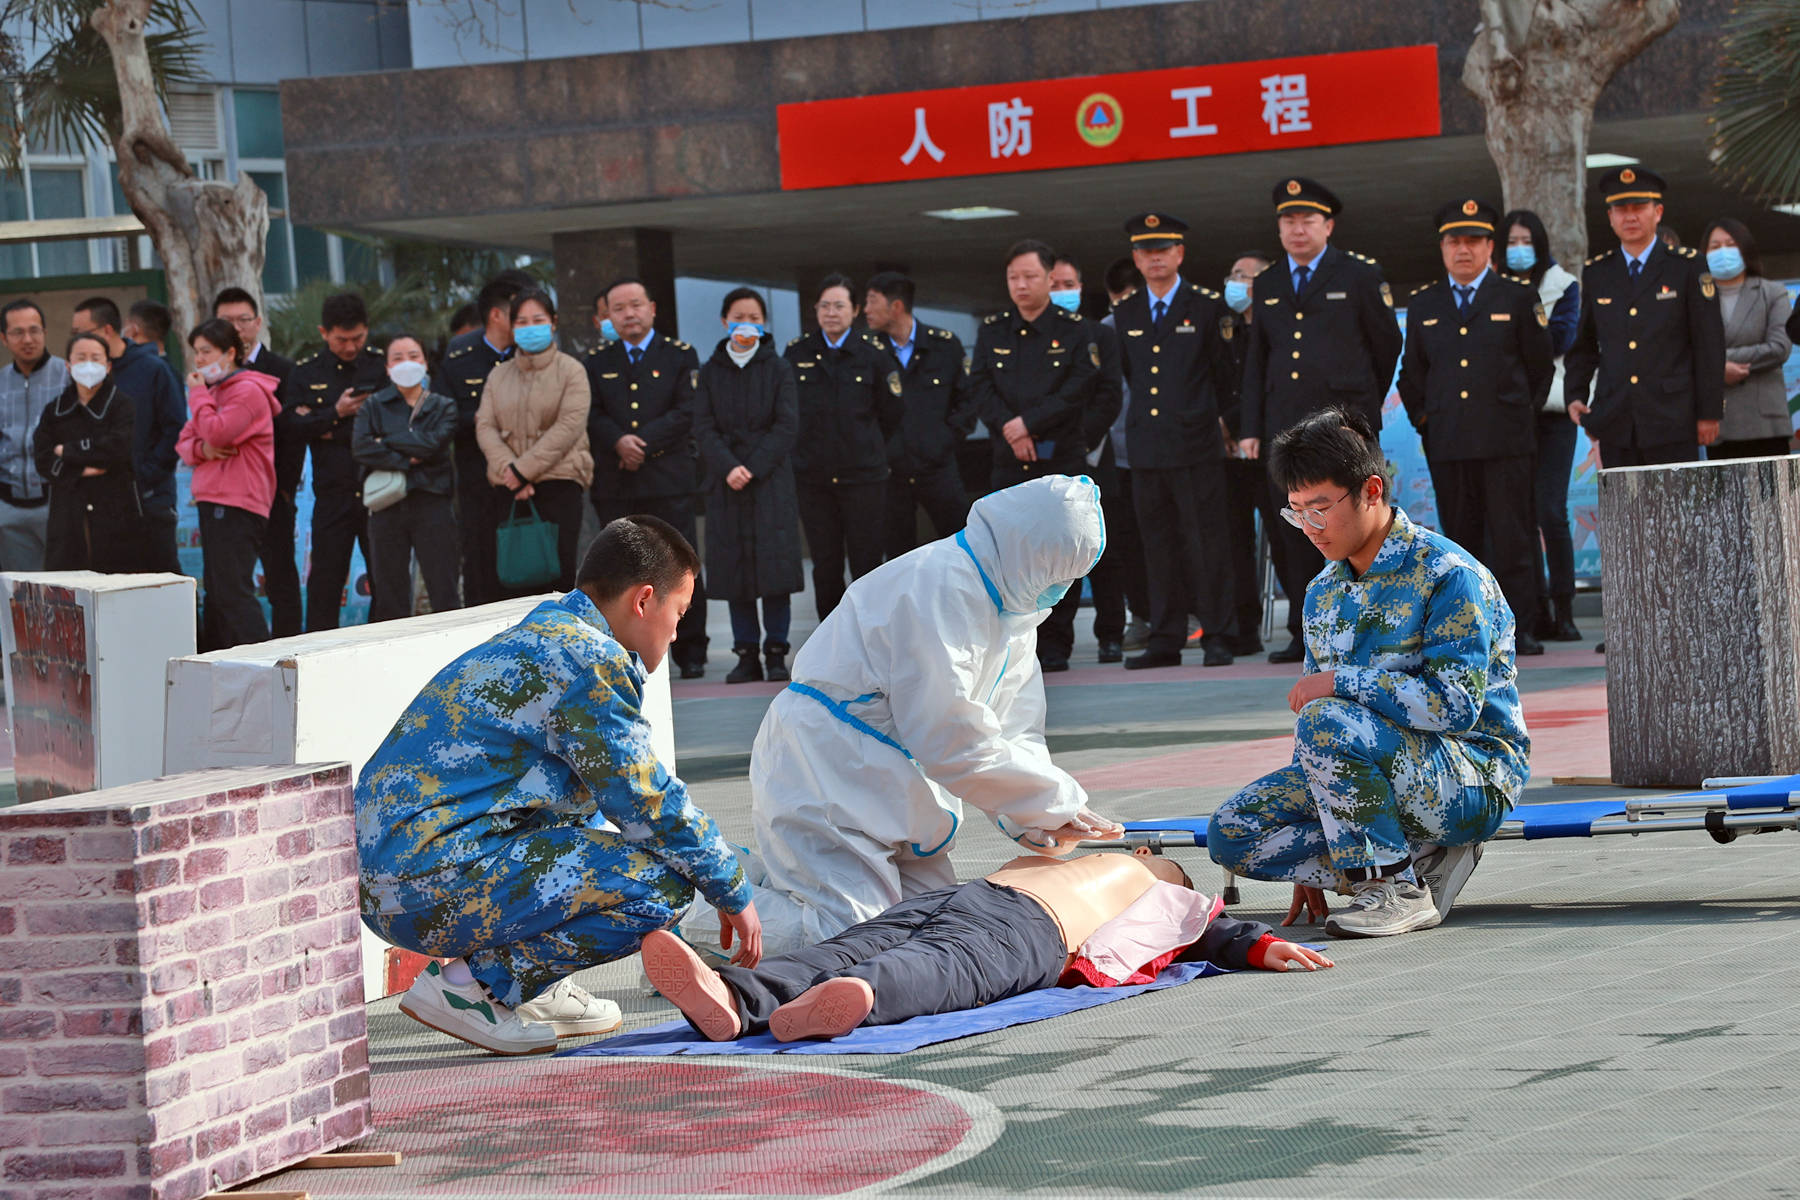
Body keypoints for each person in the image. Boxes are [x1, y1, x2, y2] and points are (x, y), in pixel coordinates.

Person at [357, 516, 760, 1056]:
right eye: (679, 613)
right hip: (426, 883)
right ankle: (474, 989)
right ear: (644, 601)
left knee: (585, 825)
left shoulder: (545, 636)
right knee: (662, 886)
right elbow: (646, 800)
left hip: (394, 877)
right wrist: (730, 886)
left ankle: (532, 987)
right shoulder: (587, 661)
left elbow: (584, 808)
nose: (678, 630)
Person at [703, 474, 1124, 959]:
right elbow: (953, 738)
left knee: (931, 937)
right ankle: (692, 911)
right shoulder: (940, 586)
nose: (1062, 589)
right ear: (1033, 553)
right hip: (828, 773)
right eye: (1059, 572)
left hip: (889, 788)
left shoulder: (1011, 607)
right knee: (849, 941)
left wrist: (1041, 820)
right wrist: (1053, 801)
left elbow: (1013, 730)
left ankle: (733, 881)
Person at [1207, 407, 1529, 938]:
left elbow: (1455, 706)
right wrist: (1334, 822)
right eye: (1295, 513)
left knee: (1329, 716)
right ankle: (1399, 862)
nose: (1309, 528)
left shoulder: (1448, 575)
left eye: (1320, 509)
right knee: (1233, 832)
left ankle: (1395, 888)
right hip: (1377, 773)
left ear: (1371, 490)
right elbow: (1320, 726)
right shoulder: (1322, 591)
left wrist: (1343, 682)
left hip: (1471, 775)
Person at [645, 846, 1332, 1043]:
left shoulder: (1150, 884)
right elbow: (1201, 931)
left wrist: (1253, 942)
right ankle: (755, 1001)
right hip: (1019, 923)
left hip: (979, 898)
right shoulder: (1152, 883)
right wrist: (1258, 942)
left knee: (858, 947)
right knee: (935, 967)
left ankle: (745, 997)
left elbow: (1207, 932)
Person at [1238, 178, 1404, 665]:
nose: (1297, 229)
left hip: (1340, 432)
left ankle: (1362, 624)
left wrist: (1358, 412)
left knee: (1347, 523)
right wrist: (1252, 426)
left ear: (1328, 226)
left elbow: (1386, 345)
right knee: (1291, 525)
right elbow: (1257, 361)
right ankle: (1304, 628)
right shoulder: (1267, 283)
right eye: (1288, 221)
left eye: (1307, 220)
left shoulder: (1358, 274)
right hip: (1284, 431)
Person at [1397, 199, 1555, 658]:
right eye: (1453, 242)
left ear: (1490, 246)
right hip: (1449, 441)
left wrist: (1519, 417)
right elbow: (1413, 374)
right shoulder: (1426, 302)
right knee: (1459, 541)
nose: (1462, 250)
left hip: (1507, 440)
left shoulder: (1518, 296)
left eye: (1472, 241)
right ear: (1442, 247)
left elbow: (1539, 369)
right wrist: (1425, 421)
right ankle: (1470, 630)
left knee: (1513, 537)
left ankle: (1519, 628)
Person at [968, 241, 1102, 672]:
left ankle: (1057, 643)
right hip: (1010, 457)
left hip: (1060, 455)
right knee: (1012, 551)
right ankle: (1016, 641)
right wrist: (1011, 428)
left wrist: (1030, 423)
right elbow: (980, 387)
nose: (1021, 285)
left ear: (1049, 277)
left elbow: (1079, 385)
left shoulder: (1076, 329)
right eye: (1013, 278)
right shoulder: (993, 330)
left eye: (1029, 276)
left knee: (1061, 550)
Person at [1112, 213, 1236, 670]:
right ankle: (1165, 636)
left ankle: (1217, 634)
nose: (1155, 257)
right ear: (1136, 259)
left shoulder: (1207, 307)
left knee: (1205, 544)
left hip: (1197, 444)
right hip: (1146, 448)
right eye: (1146, 251)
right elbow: (1127, 377)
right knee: (1156, 546)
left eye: (1164, 249)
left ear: (1180, 254)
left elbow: (1225, 376)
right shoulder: (1125, 313)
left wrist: (1216, 421)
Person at [584, 277, 709, 677]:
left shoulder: (680, 355)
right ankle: (622, 646)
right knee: (621, 568)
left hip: (668, 478)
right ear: (607, 316)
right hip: (618, 482)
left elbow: (688, 410)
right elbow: (593, 414)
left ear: (652, 308)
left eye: (635, 305)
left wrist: (643, 443)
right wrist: (619, 441)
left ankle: (690, 650)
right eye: (618, 309)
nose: (628, 314)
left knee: (680, 565)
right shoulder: (597, 361)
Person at [1564, 166, 1725, 469]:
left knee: (1676, 512)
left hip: (1672, 417)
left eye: (1639, 208)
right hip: (1615, 418)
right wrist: (1575, 392)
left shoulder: (1686, 266)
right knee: (1625, 512)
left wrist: (1709, 412)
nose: (1630, 217)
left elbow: (1709, 343)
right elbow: (1584, 343)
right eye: (1621, 210)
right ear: (1610, 217)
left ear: (1658, 211)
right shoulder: (1598, 272)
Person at [693, 288, 803, 685]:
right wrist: (729, 467)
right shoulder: (710, 371)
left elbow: (787, 424)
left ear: (764, 323)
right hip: (726, 485)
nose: (747, 323)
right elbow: (702, 426)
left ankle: (776, 652)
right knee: (735, 571)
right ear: (724, 321)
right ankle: (745, 654)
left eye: (754, 316)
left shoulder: (779, 368)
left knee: (774, 571)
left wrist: (752, 467)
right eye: (739, 316)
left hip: (770, 482)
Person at [784, 274, 903, 622]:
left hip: (863, 476)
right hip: (814, 478)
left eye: (839, 306)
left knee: (867, 562)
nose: (831, 313)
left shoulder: (874, 354)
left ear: (854, 311)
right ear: (816, 310)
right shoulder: (797, 353)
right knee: (826, 564)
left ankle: (870, 635)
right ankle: (830, 640)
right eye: (825, 306)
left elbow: (892, 412)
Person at [1501, 210, 1584, 644]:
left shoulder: (1564, 285)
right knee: (1519, 515)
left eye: (1525, 240)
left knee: (1551, 511)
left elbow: (1561, 340)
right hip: (1510, 416)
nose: (1518, 248)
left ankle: (1564, 608)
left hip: (1552, 413)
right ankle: (1531, 613)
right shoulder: (1493, 286)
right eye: (1511, 240)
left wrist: (1512, 336)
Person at [476, 288, 592, 595]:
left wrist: (524, 470)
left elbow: (568, 426)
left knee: (557, 578)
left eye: (538, 319)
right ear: (512, 328)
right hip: (508, 489)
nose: (530, 327)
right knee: (512, 581)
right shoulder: (498, 376)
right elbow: (485, 426)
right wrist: (510, 471)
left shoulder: (572, 371)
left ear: (553, 322)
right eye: (522, 322)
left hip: (559, 485)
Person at [175, 319, 282, 650]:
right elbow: (186, 442)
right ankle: (220, 664)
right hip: (213, 498)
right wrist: (203, 449)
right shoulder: (214, 393)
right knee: (218, 593)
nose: (200, 360)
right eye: (196, 353)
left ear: (231, 352)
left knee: (233, 591)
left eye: (207, 351)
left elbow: (216, 432)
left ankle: (263, 663)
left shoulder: (247, 391)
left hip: (238, 500)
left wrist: (198, 398)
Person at [286, 292, 387, 631]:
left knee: (386, 583)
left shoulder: (381, 365)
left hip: (378, 491)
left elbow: (392, 424)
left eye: (357, 338)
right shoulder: (305, 373)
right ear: (323, 333)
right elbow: (291, 427)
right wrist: (337, 413)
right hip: (332, 495)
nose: (350, 347)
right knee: (325, 584)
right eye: (341, 339)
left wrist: (325, 428)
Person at [863, 271, 975, 560]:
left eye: (872, 301)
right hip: (891, 474)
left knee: (963, 547)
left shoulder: (944, 345)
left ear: (896, 306)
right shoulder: (867, 352)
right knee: (898, 558)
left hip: (938, 468)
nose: (865, 310)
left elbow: (968, 402)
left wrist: (944, 441)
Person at [71, 296, 185, 575]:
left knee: (164, 589)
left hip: (149, 503)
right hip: (101, 507)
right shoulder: (86, 375)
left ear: (107, 331)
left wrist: (145, 476)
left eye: (82, 333)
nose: (77, 340)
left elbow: (176, 429)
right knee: (112, 593)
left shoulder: (152, 369)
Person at [1049, 255, 1125, 665]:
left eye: (1069, 283)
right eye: (1055, 283)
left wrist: (1082, 441)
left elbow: (1111, 394)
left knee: (1107, 554)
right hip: (1051, 461)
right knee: (1060, 557)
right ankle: (1057, 643)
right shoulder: (1038, 337)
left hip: (1094, 457)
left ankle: (1111, 635)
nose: (1062, 291)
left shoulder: (1100, 335)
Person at [353, 333, 461, 622]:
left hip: (432, 501)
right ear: (387, 367)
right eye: (397, 358)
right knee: (390, 593)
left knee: (443, 587)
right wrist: (409, 454)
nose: (406, 363)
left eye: (413, 356)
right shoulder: (373, 405)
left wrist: (385, 441)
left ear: (425, 362)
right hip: (387, 505)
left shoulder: (443, 405)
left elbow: (434, 445)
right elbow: (362, 447)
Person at [215, 287, 300, 634]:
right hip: (226, 495)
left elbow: (292, 435)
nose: (236, 327)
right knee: (226, 581)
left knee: (280, 576)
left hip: (271, 492)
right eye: (226, 321)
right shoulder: (210, 374)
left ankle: (289, 651)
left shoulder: (282, 370)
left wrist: (284, 489)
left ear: (258, 323)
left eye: (243, 320)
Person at [439, 274, 525, 608]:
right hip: (478, 484)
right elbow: (445, 415)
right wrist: (482, 422)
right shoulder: (460, 354)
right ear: (497, 315)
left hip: (529, 480)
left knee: (532, 571)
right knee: (481, 572)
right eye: (518, 312)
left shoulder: (533, 352)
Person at [33, 331, 141, 572]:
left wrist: (67, 451)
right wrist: (82, 468)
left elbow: (117, 449)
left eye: (96, 357)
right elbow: (42, 458)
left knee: (115, 582)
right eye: (81, 358)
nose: (88, 364)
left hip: (114, 510)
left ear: (108, 365)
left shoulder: (122, 406)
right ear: (68, 366)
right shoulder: (55, 410)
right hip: (67, 512)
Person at [1093, 256, 1151, 656]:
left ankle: (1181, 613)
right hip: (1117, 455)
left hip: (1159, 448)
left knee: (1165, 539)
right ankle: (1143, 616)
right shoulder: (1106, 332)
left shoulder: (1157, 323)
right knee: (1127, 542)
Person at [1219, 251, 1275, 657]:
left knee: (1289, 539)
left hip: (1271, 448)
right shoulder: (1226, 330)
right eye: (1234, 274)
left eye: (1246, 275)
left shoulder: (1277, 327)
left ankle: (1304, 626)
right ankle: (1245, 626)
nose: (1237, 282)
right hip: (1227, 450)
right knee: (1233, 543)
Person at [1700, 218, 1793, 460]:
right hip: (1718, 424)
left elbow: (1779, 347)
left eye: (1730, 244)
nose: (1723, 252)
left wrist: (1715, 362)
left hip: (1765, 424)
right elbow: (1684, 350)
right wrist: (1717, 369)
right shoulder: (1696, 298)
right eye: (1715, 246)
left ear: (1745, 248)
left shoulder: (1772, 292)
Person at [0, 299, 61, 571]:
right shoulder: (0, 382)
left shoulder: (67, 376)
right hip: (8, 508)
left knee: (65, 588)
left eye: (34, 330)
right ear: (4, 338)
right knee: (20, 594)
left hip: (57, 503)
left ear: (45, 333)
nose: (28, 339)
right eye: (17, 332)